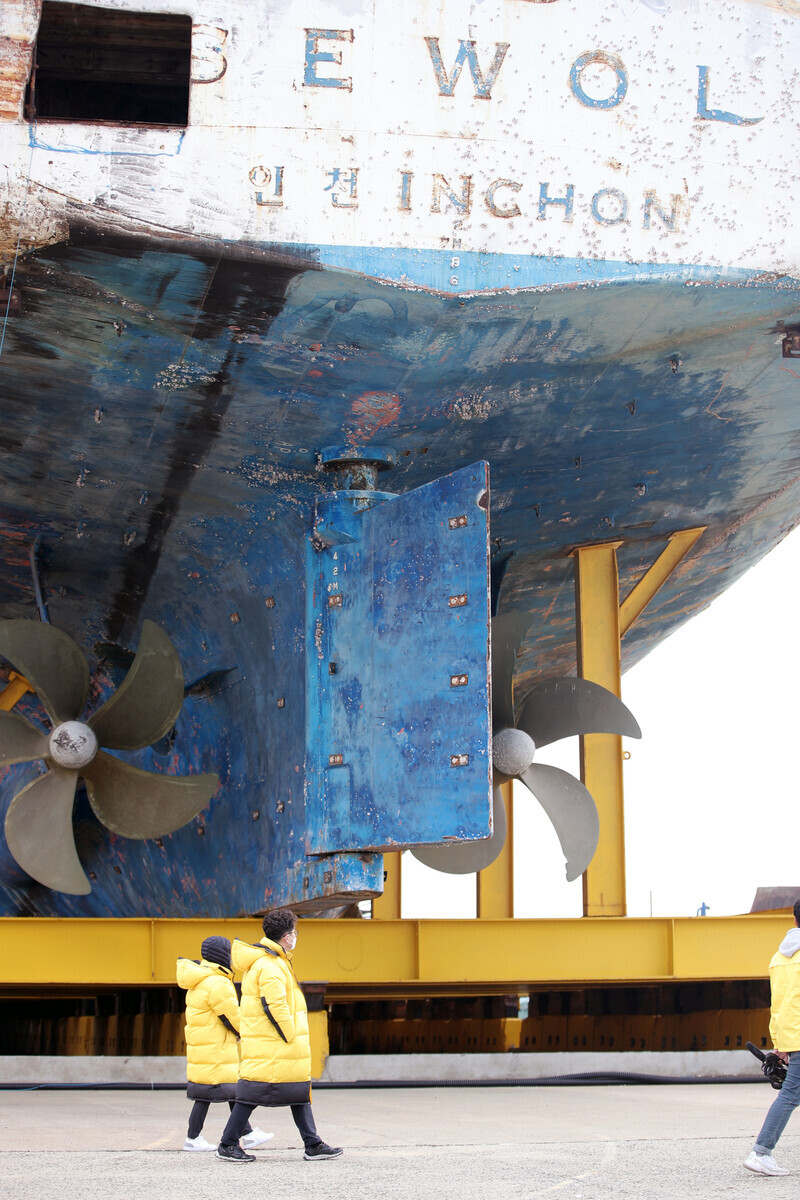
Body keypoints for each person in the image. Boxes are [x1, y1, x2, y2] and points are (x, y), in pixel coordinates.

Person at [214, 908, 343, 1163]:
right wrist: (290, 1035)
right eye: (294, 932)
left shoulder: (271, 961)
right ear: (286, 937)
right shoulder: (271, 965)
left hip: (271, 1042)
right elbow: (274, 1004)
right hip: (275, 1043)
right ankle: (228, 1144)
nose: (296, 936)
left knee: (296, 1092)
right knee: (252, 1093)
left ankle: (312, 1143)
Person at [177, 935, 273, 1152]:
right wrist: (246, 1033)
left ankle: (244, 1134)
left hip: (206, 1045)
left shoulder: (200, 980)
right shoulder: (218, 982)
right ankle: (197, 1138)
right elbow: (230, 1015)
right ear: (222, 955)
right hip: (215, 1047)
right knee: (221, 1092)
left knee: (222, 1091)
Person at [744, 899, 800, 1176]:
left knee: (791, 1095)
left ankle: (762, 1152)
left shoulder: (779, 958)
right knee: (790, 1096)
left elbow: (777, 1004)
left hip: (792, 1036)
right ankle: (761, 1152)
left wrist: (778, 1043)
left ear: (794, 920)